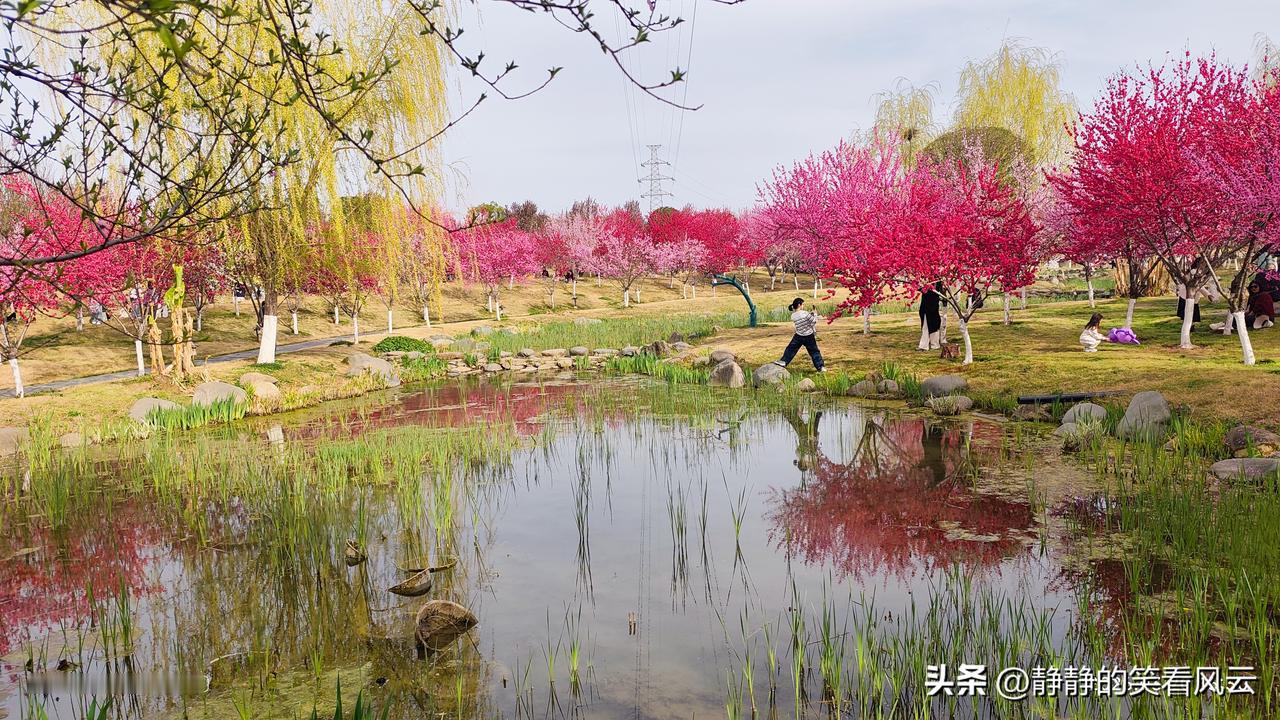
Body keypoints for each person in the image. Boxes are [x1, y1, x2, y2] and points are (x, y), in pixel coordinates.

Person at [776, 297, 825, 372]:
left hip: (799, 335)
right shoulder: (805, 313)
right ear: (799, 305)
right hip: (809, 336)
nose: (803, 306)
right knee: (814, 351)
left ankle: (784, 361)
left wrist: (810, 314)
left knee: (790, 349)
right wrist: (814, 314)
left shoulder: (793, 316)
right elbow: (814, 321)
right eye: (802, 304)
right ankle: (820, 367)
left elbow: (802, 318)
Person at [917, 283, 942, 351]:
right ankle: (924, 345)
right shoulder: (926, 281)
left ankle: (934, 345)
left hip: (932, 307)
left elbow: (938, 291)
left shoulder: (937, 283)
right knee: (926, 327)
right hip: (926, 308)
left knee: (934, 326)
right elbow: (919, 288)